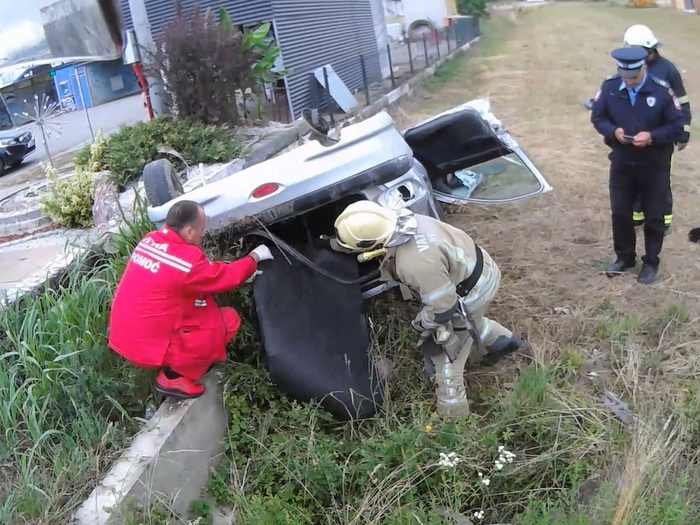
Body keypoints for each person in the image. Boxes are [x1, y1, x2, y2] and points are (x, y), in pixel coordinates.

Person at [330, 200, 525, 417]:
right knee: (469, 325)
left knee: (446, 356)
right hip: (479, 268)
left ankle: (454, 420)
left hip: (471, 291)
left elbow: (443, 308)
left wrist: (421, 324)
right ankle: (505, 342)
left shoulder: (415, 263)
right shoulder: (410, 220)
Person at [108, 200, 274, 399]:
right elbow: (224, 276)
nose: (202, 234)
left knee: (200, 310)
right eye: (201, 229)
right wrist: (254, 257)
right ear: (188, 231)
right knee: (226, 321)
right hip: (146, 345)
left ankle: (183, 361)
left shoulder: (150, 240)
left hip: (126, 336)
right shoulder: (187, 261)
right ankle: (175, 376)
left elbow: (190, 278)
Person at [590, 46, 685, 284]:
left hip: (654, 164)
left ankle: (651, 261)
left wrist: (651, 136)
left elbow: (676, 124)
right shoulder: (610, 87)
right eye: (625, 78)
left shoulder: (662, 92)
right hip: (622, 162)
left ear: (643, 67)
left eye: (634, 78)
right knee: (621, 212)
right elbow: (598, 117)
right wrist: (613, 131)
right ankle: (625, 257)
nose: (629, 83)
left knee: (654, 215)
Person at [585, 25, 691, 233]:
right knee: (631, 182)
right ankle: (637, 215)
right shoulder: (623, 73)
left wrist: (683, 132)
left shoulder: (667, 70)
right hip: (629, 144)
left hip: (658, 141)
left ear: (651, 50)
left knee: (660, 182)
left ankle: (663, 219)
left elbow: (681, 103)